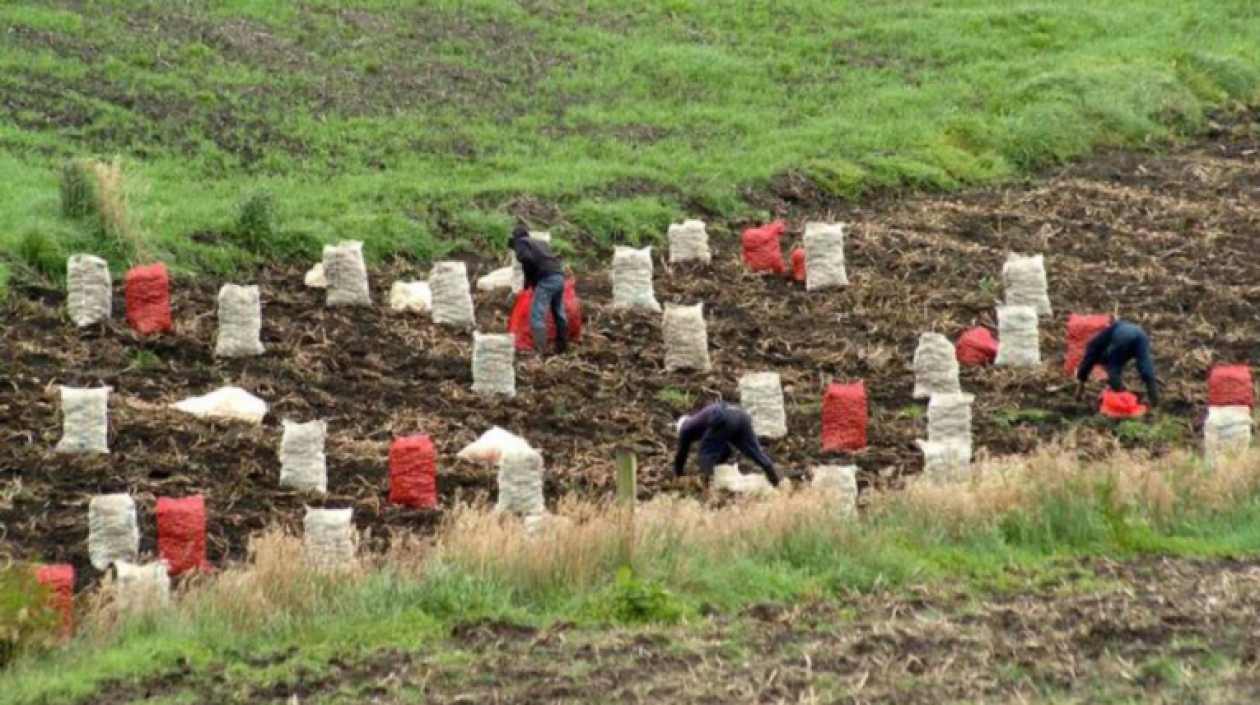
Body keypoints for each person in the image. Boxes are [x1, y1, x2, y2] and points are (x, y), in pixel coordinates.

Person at [673, 402, 781, 486]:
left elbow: (681, 453)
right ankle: (776, 482)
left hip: (724, 417)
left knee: (704, 453)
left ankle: (708, 486)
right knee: (756, 453)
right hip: (741, 416)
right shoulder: (701, 423)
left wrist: (678, 474)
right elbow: (724, 449)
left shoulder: (686, 428)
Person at [508, 226, 569, 356]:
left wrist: (531, 281)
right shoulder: (541, 243)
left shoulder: (521, 243)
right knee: (558, 312)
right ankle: (563, 346)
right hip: (559, 277)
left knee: (536, 316)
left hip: (546, 279)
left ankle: (541, 350)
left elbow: (526, 260)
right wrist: (529, 283)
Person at [1075, 319, 1159, 408]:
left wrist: (1079, 390)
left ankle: (1125, 402)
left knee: (1113, 368)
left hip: (1123, 334)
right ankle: (1154, 399)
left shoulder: (1094, 346)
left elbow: (1086, 366)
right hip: (1141, 334)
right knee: (1145, 365)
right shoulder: (1107, 341)